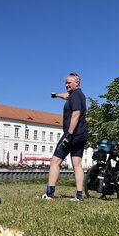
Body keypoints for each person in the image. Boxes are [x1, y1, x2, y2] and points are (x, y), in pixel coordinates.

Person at [38, 73, 88, 201]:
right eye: (65, 83)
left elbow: (76, 114)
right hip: (82, 134)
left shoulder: (75, 95)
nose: (66, 85)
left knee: (55, 161)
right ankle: (79, 196)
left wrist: (69, 135)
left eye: (69, 83)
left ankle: (49, 194)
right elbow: (66, 96)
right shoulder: (78, 95)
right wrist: (56, 95)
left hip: (73, 135)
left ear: (77, 82)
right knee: (77, 164)